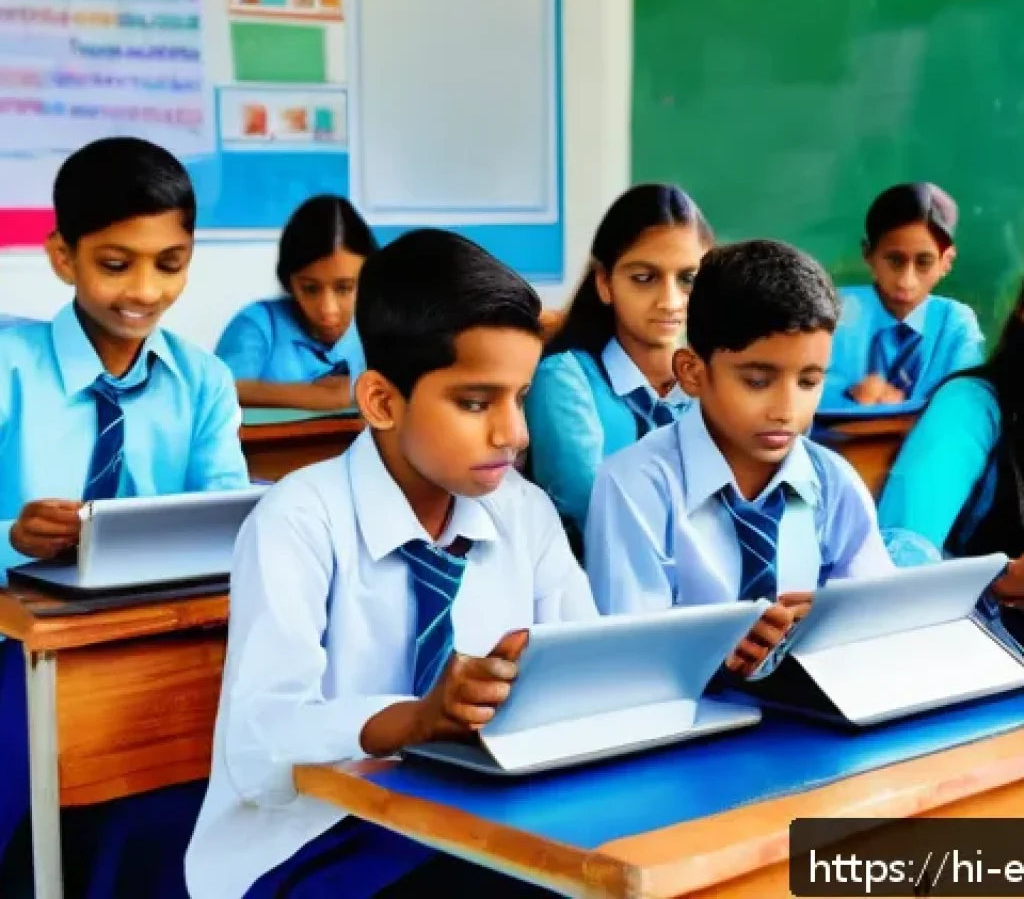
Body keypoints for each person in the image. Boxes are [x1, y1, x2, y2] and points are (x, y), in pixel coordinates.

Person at [186, 229, 597, 899]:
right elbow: (260, 740)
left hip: (485, 816)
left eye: (519, 397)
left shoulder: (525, 513)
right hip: (314, 838)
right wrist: (415, 720)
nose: (514, 433)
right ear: (380, 401)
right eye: (475, 402)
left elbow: (584, 671)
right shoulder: (297, 519)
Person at [0, 135, 249, 894]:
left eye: (169, 263)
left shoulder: (202, 380)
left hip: (153, 639)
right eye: (116, 263)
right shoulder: (9, 364)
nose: (144, 290)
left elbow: (231, 518)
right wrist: (9, 536)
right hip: (20, 647)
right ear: (62, 257)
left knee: (164, 802)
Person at [585, 240, 895, 677]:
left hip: (812, 723)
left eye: (808, 382)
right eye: (756, 381)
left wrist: (834, 626)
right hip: (681, 725)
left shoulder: (833, 482)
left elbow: (880, 624)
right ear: (692, 372)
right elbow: (626, 656)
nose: (785, 409)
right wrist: (713, 654)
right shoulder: (636, 485)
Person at [525, 184, 713, 546]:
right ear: (605, 283)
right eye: (644, 278)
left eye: (689, 279)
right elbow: (595, 509)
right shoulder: (565, 379)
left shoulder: (714, 380)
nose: (670, 301)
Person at [822, 182, 983, 409]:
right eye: (895, 260)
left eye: (924, 262)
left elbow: (964, 402)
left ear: (946, 262)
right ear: (868, 254)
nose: (906, 281)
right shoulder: (830, 311)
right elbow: (801, 386)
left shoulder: (955, 323)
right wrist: (848, 394)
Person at [216, 195, 379, 411]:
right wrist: (321, 396)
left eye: (345, 288)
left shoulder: (381, 327)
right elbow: (217, 390)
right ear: (288, 281)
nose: (328, 310)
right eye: (310, 289)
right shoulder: (258, 325)